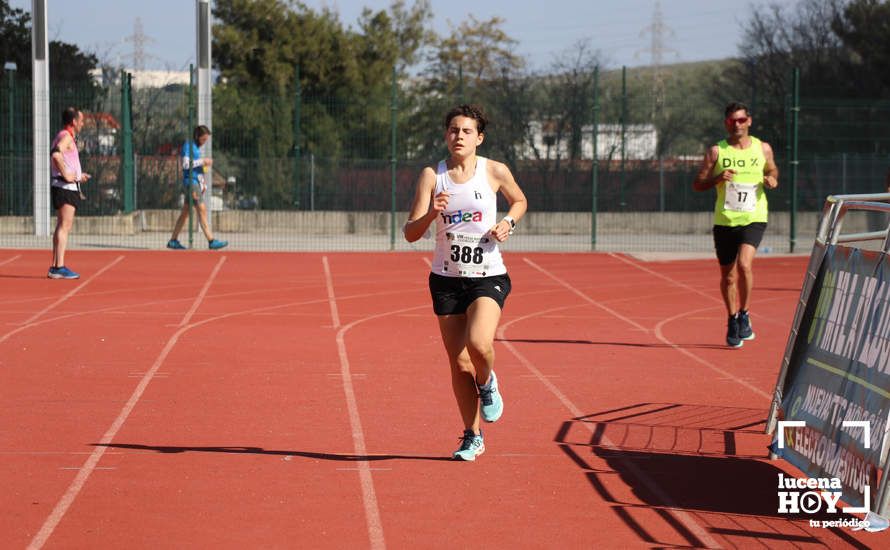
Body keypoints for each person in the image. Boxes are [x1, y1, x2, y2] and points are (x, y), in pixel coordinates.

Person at [404, 104, 527, 461]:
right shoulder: (433, 176)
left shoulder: (494, 171)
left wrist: (508, 223)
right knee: (459, 364)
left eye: (467, 131)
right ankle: (472, 436)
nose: (459, 136)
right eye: (453, 130)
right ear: (446, 135)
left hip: (487, 275)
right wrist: (432, 212)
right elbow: (411, 233)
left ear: (479, 137)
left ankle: (487, 383)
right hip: (445, 279)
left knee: (478, 343)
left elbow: (519, 200)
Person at [693, 101, 779, 348]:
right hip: (725, 220)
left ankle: (745, 312)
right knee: (728, 277)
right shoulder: (717, 152)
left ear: (749, 121)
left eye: (741, 120)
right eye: (732, 121)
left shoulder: (762, 148)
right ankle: (732, 319)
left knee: (744, 264)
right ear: (726, 123)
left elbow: (773, 170)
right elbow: (698, 184)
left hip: (754, 216)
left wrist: (772, 179)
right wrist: (718, 178)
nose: (737, 125)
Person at [167, 125, 227, 250]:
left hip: (195, 181)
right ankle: (211, 240)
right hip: (191, 182)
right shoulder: (188, 146)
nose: (205, 142)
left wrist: (203, 169)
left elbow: (195, 165)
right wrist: (203, 161)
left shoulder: (195, 148)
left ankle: (173, 240)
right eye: (204, 139)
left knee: (185, 213)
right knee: (202, 209)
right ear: (198, 136)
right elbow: (185, 164)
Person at [48, 107, 91, 279]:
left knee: (61, 226)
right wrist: (67, 174)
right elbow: (56, 154)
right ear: (73, 121)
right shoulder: (66, 136)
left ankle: (55, 265)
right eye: (81, 120)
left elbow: (63, 158)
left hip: (63, 186)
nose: (82, 123)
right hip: (65, 187)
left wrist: (79, 176)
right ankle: (59, 266)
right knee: (65, 226)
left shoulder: (63, 135)